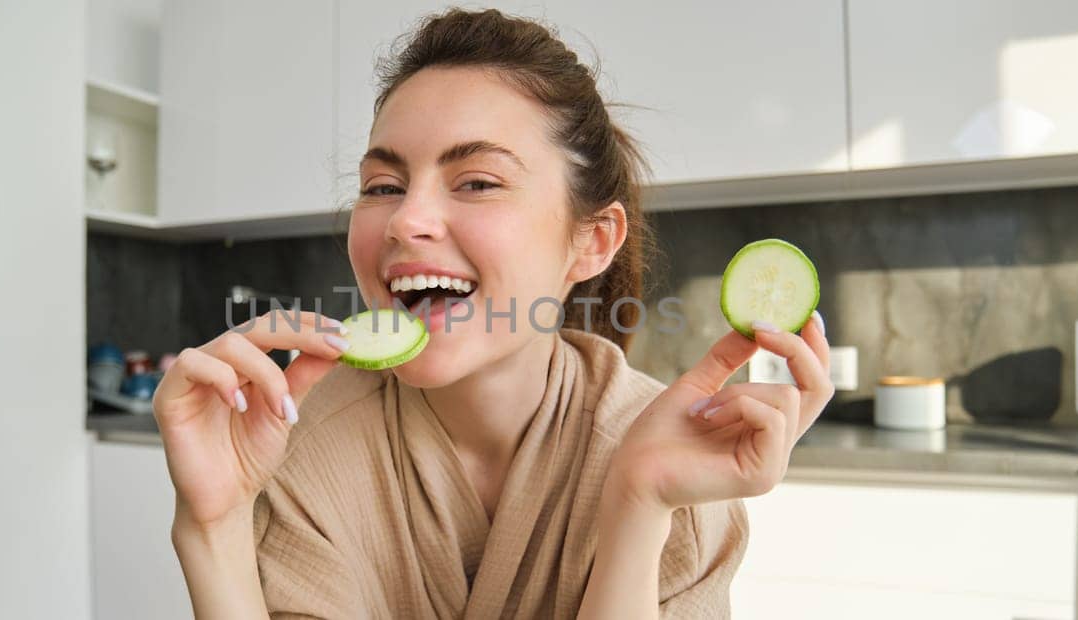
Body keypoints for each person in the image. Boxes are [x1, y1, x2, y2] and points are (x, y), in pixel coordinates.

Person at [152, 8, 832, 618]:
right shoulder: (299, 444)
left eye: (477, 182)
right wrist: (211, 526)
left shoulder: (673, 460)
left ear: (591, 241)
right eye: (382, 186)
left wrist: (639, 503)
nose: (406, 219)